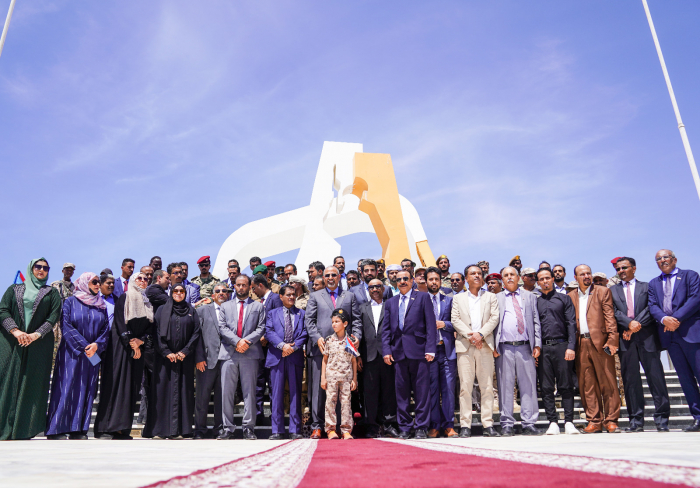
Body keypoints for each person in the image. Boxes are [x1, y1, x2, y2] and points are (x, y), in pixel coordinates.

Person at [0, 258, 62, 440]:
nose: (41, 270)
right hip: (12, 342)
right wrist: (16, 331)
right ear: (31, 268)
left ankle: (23, 430)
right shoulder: (14, 289)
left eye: (45, 268)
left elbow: (53, 316)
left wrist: (36, 335)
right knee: (7, 381)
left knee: (32, 384)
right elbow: (3, 310)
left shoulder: (51, 292)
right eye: (38, 267)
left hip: (39, 345)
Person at [46, 272, 110, 440]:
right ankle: (56, 429)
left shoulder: (101, 305)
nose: (98, 285)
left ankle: (78, 429)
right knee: (66, 388)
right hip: (71, 353)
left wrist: (97, 345)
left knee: (87, 389)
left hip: (93, 354)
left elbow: (105, 329)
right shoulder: (70, 302)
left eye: (99, 282)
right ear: (84, 283)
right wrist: (84, 346)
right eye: (94, 282)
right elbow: (65, 325)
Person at [611, 257, 670, 432]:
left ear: (634, 268)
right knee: (631, 381)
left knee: (656, 379)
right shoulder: (612, 290)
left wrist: (636, 324)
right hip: (626, 340)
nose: (621, 271)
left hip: (647, 338)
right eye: (618, 269)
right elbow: (613, 311)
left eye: (624, 267)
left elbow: (652, 307)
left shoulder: (647, 286)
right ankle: (636, 421)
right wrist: (628, 324)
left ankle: (662, 420)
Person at [94, 272, 153, 439]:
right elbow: (120, 322)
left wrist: (140, 341)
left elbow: (151, 327)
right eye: (139, 278)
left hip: (138, 349)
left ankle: (122, 429)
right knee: (116, 385)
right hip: (120, 348)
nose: (143, 281)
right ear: (133, 281)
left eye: (145, 279)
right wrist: (131, 342)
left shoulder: (147, 302)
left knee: (131, 388)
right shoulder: (125, 297)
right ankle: (106, 428)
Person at [305, 266, 361, 439]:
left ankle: (341, 428)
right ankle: (317, 426)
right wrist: (317, 338)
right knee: (319, 389)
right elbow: (309, 320)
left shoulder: (349, 296)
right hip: (321, 348)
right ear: (323, 277)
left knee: (343, 393)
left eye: (333, 275)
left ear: (339, 277)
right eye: (327, 275)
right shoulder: (315, 296)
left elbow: (356, 320)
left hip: (344, 350)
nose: (330, 278)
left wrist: (357, 337)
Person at [648, 250, 700, 432]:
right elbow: (652, 305)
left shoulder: (690, 276)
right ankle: (698, 417)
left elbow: (695, 298)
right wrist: (664, 320)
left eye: (666, 257)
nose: (662, 260)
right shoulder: (654, 283)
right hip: (670, 337)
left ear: (674, 259)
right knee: (685, 380)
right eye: (658, 259)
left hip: (690, 333)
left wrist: (674, 319)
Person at [143, 283, 203, 439]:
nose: (178, 293)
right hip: (164, 360)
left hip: (184, 360)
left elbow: (196, 332)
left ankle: (181, 430)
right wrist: (166, 352)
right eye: (175, 290)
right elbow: (156, 333)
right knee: (162, 393)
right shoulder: (162, 310)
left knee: (184, 392)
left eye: (181, 291)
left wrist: (185, 351)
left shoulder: (191, 310)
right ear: (171, 292)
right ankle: (160, 431)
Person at [382, 269, 436, 439]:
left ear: (412, 280)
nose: (402, 281)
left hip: (420, 352)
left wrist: (430, 349)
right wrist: (386, 350)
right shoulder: (390, 302)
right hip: (398, 353)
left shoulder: (423, 297)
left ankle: (421, 427)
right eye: (399, 279)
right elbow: (386, 330)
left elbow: (431, 325)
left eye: (406, 278)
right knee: (401, 393)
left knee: (422, 393)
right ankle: (405, 427)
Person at [569, 264, 620, 434]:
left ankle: (611, 421)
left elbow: (610, 317)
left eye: (588, 273)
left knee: (608, 382)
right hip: (581, 344)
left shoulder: (602, 291)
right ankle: (594, 421)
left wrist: (612, 340)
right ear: (575, 278)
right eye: (582, 274)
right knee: (587, 384)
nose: (586, 276)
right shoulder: (570, 296)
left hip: (601, 343)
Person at [451, 265, 499, 438]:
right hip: (465, 346)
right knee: (465, 387)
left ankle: (488, 424)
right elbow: (455, 319)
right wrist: (471, 336)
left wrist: (481, 335)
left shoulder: (491, 297)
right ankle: (465, 425)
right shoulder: (458, 298)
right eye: (473, 273)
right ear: (466, 278)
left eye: (479, 273)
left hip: (485, 345)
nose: (477, 276)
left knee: (487, 386)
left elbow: (494, 318)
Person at [217, 274, 265, 440]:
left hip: (250, 354)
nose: (241, 288)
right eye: (238, 285)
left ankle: (248, 428)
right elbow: (222, 327)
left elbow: (261, 328)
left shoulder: (258, 306)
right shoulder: (225, 306)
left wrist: (246, 342)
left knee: (249, 392)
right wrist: (237, 342)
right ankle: (228, 428)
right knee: (227, 392)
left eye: (244, 285)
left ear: (250, 286)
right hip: (229, 353)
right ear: (234, 286)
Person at [494, 267, 541, 436]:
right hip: (504, 347)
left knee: (528, 385)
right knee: (505, 386)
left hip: (525, 346)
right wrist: (493, 346)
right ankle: (507, 423)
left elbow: (535, 321)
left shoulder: (530, 296)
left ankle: (529, 423)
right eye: (506, 275)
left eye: (512, 275)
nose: (509, 278)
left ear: (518, 277)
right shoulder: (496, 298)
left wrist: (537, 344)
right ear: (502, 280)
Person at [535, 268, 579, 435]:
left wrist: (571, 346)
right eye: (541, 279)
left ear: (553, 279)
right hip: (543, 348)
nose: (545, 281)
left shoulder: (564, 299)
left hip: (562, 346)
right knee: (546, 387)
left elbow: (571, 324)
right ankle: (552, 422)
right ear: (538, 282)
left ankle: (569, 422)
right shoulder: (536, 302)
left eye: (547, 278)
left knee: (566, 385)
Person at [266, 285, 308, 440]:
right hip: (277, 357)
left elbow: (305, 332)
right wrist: (282, 346)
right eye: (288, 294)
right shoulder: (272, 313)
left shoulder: (302, 313)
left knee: (295, 393)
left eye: (293, 294)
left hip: (295, 357)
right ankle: (277, 430)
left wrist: (294, 347)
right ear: (281, 297)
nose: (291, 297)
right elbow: (269, 331)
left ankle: (295, 429)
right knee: (277, 394)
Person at [359, 279, 399, 438]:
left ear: (383, 288)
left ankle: (390, 425)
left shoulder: (391, 305)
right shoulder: (362, 308)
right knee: (370, 393)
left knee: (389, 391)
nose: (375, 289)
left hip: (388, 355)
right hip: (368, 356)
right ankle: (372, 426)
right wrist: (358, 356)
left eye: (378, 286)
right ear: (368, 290)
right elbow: (359, 332)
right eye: (371, 287)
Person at [193, 283, 228, 439]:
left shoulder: (232, 311)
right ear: (213, 295)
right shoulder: (202, 310)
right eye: (218, 291)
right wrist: (199, 358)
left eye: (224, 291)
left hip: (226, 361)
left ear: (228, 294)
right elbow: (196, 336)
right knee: (202, 396)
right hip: (206, 361)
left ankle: (219, 428)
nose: (221, 293)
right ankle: (199, 429)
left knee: (222, 398)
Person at [426, 267, 457, 438]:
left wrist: (444, 324)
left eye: (436, 279)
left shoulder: (449, 300)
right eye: (430, 279)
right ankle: (434, 425)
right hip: (429, 352)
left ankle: (448, 425)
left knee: (448, 389)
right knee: (432, 390)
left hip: (446, 350)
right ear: (426, 281)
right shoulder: (421, 300)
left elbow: (458, 322)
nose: (434, 282)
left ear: (440, 281)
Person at [322, 308, 358, 440]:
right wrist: (323, 378)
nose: (334, 324)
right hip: (331, 377)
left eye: (337, 321)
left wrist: (354, 379)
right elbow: (325, 360)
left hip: (346, 377)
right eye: (333, 322)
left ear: (345, 324)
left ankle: (346, 430)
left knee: (346, 403)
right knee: (330, 403)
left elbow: (353, 361)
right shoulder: (329, 340)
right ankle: (331, 429)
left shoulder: (350, 341)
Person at [251, 273, 283, 422]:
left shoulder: (275, 299)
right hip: (259, 349)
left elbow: (279, 322)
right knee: (258, 382)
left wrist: (267, 337)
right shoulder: (258, 301)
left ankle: (274, 416)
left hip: (272, 349)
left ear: (261, 285)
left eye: (254, 288)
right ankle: (257, 415)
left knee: (272, 383)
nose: (253, 291)